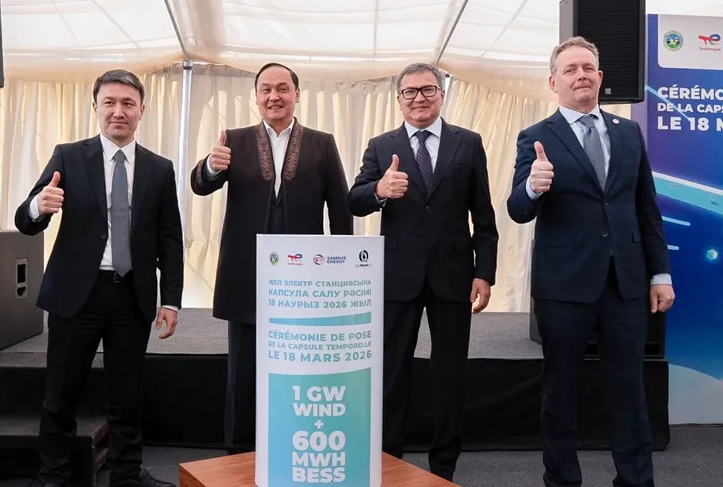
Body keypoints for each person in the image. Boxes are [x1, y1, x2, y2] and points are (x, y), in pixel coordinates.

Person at [506, 36, 675, 487]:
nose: (580, 75)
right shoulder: (536, 137)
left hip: (625, 284)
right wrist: (533, 186)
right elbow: (517, 209)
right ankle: (562, 480)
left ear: (599, 77)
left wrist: (660, 273)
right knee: (560, 392)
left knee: (629, 391)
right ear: (553, 82)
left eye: (587, 68)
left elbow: (646, 208)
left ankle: (636, 480)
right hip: (564, 288)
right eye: (570, 69)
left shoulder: (627, 133)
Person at [15, 69, 183, 487]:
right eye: (109, 102)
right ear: (95, 108)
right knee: (61, 394)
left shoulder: (160, 169)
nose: (118, 111)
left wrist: (171, 299)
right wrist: (38, 206)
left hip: (132, 296)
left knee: (126, 394)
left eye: (128, 103)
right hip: (76, 296)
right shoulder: (68, 157)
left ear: (142, 110)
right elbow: (25, 220)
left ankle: (126, 474)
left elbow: (170, 239)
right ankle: (54, 477)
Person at [190, 62, 353, 454]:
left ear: (297, 94)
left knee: (298, 370)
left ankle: (290, 448)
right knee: (242, 371)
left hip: (304, 279)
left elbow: (340, 208)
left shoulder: (322, 143)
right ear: (256, 96)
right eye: (265, 89)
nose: (274, 97)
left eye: (282, 88)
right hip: (246, 272)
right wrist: (210, 166)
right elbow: (200, 185)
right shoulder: (233, 140)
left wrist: (343, 271)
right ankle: (239, 453)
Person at [349, 62, 498, 481]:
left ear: (441, 95)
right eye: (410, 92)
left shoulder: (468, 143)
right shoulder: (382, 145)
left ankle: (444, 468)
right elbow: (354, 199)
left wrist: (485, 272)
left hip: (454, 275)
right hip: (397, 277)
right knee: (391, 372)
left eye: (428, 90)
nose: (419, 98)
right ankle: (388, 462)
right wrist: (379, 190)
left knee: (449, 374)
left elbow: (483, 215)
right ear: (399, 99)